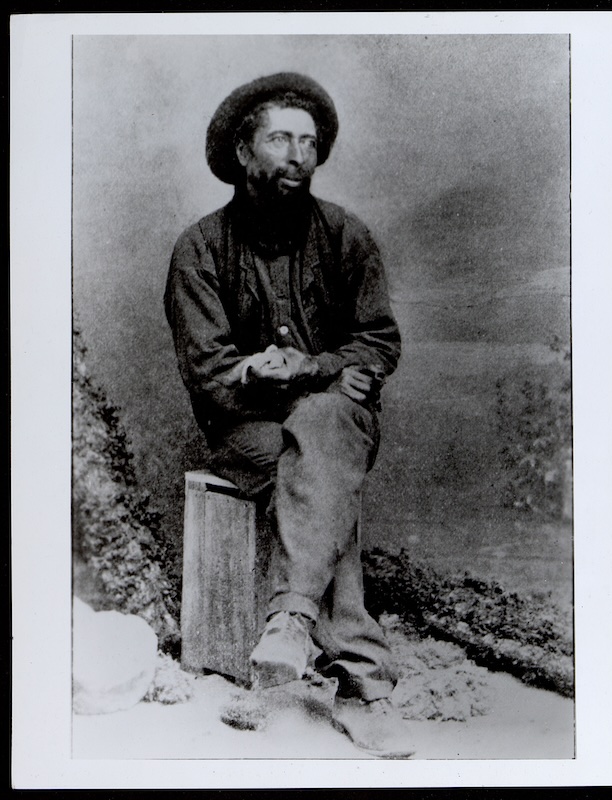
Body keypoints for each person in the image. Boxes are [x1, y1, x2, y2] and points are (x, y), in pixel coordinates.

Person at [164, 72, 414, 758]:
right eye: (279, 138)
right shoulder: (199, 249)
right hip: (245, 433)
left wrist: (309, 367)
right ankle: (365, 684)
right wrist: (270, 377)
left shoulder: (346, 236)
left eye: (308, 142)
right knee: (313, 467)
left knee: (323, 431)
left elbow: (379, 344)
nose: (297, 154)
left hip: (338, 418)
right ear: (244, 153)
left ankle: (288, 624)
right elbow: (211, 377)